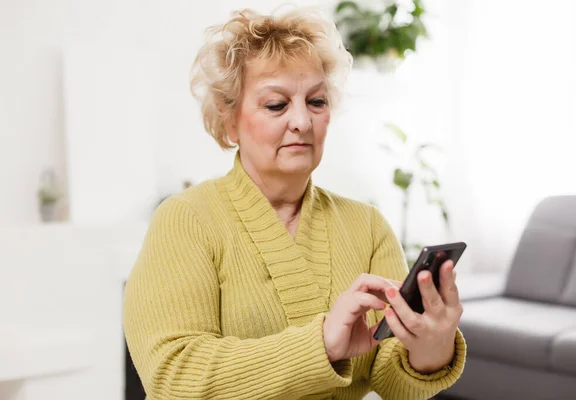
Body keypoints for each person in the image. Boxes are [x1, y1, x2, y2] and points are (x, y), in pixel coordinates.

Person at [123, 7, 466, 400]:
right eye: (276, 105)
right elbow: (173, 376)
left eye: (316, 102)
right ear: (230, 118)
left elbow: (393, 379)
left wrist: (431, 348)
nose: (302, 121)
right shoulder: (185, 220)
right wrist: (322, 343)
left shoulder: (367, 225)